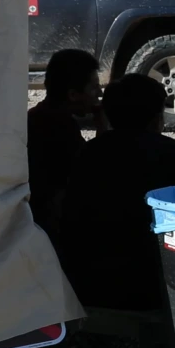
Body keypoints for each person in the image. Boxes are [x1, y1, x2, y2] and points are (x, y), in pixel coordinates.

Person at [50, 73, 175, 312]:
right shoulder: (172, 155)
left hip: (90, 283)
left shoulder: (88, 154)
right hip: (155, 285)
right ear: (157, 118)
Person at [25, 48, 104, 227]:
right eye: (93, 87)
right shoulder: (59, 127)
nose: (99, 93)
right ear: (73, 95)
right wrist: (102, 128)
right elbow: (92, 171)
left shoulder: (38, 116)